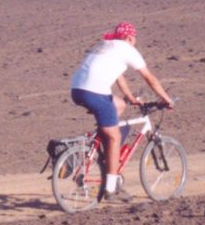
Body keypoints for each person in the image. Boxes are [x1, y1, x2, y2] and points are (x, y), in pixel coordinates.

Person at [70, 22, 173, 200]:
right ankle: (111, 190)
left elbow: (118, 77)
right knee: (115, 137)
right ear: (129, 38)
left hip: (77, 91)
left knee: (119, 105)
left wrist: (131, 98)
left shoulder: (106, 45)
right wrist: (166, 98)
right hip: (95, 93)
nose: (134, 42)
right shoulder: (127, 49)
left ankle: (101, 144)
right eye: (134, 39)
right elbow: (149, 78)